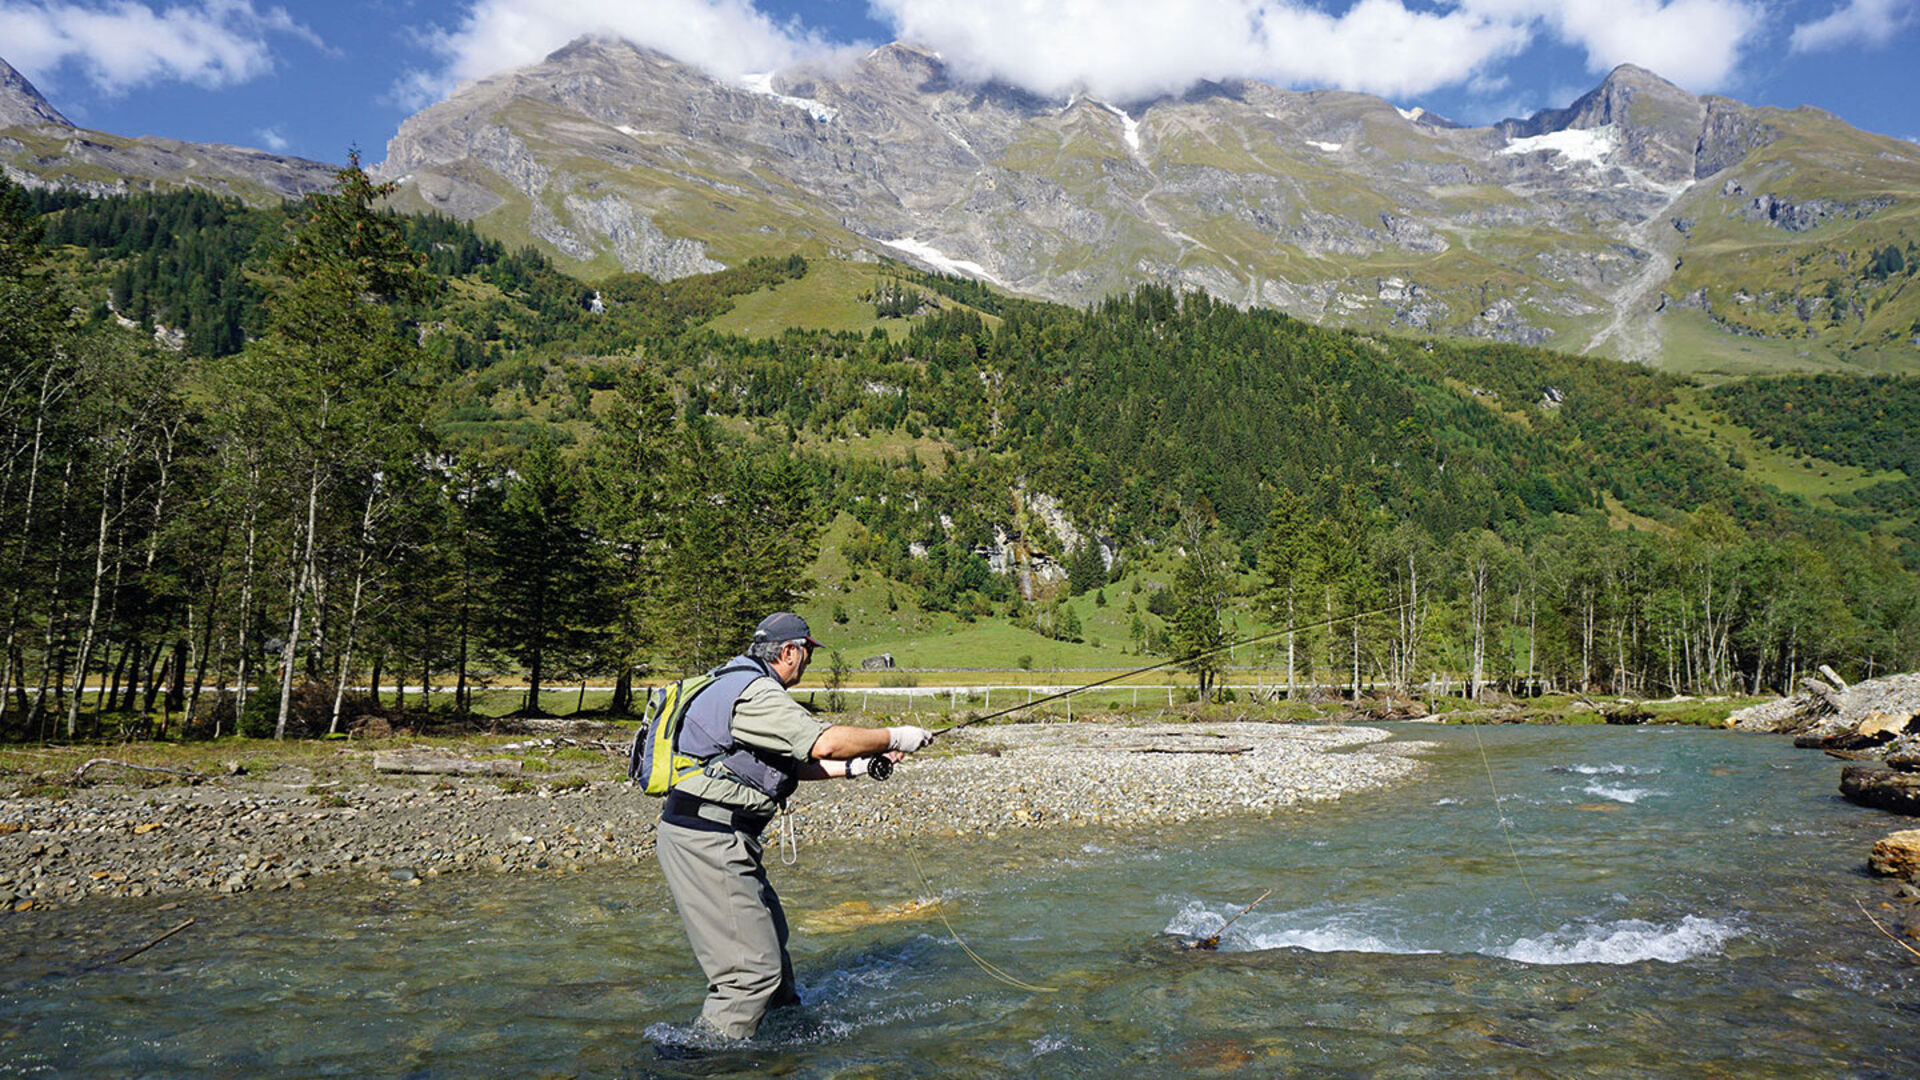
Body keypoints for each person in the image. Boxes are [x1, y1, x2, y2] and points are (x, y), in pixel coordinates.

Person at [655, 611, 935, 1041]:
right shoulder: (756, 692)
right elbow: (824, 742)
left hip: (719, 834)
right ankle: (697, 1062)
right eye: (806, 653)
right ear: (788, 651)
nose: (807, 663)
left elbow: (784, 765)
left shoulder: (735, 680)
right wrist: (895, 735)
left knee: (773, 954)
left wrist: (858, 768)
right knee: (750, 974)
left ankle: (781, 1045)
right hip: (708, 837)